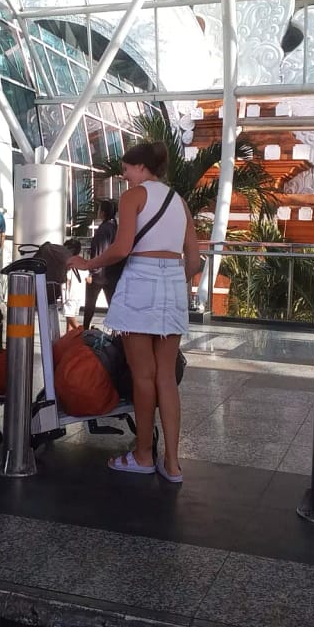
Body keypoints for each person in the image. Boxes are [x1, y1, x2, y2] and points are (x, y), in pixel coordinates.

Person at [68, 141, 201, 484]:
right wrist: (171, 280)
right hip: (173, 282)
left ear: (141, 168)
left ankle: (143, 455)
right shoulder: (179, 201)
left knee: (142, 374)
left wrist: (88, 262)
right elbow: (195, 260)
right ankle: (172, 464)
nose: (125, 176)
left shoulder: (134, 196)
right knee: (166, 377)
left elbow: (122, 248)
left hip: (140, 279)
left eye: (127, 169)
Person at [83, 199, 121, 330]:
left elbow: (99, 252)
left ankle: (85, 330)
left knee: (90, 305)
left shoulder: (103, 230)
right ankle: (118, 333)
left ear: (103, 213)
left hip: (99, 275)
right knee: (113, 305)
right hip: (112, 274)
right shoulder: (115, 227)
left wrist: (92, 272)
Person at [61, 238, 87, 332]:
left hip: (69, 296)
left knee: (71, 320)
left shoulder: (68, 263)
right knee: (69, 324)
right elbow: (88, 279)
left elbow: (67, 279)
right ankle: (68, 342)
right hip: (78, 295)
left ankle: (87, 334)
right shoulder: (82, 261)